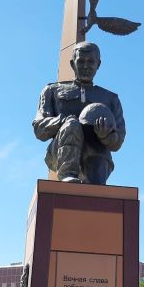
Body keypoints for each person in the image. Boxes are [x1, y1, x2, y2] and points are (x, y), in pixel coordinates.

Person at [33, 41, 126, 185]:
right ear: (72, 64)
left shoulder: (110, 98)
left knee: (95, 195)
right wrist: (62, 121)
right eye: (81, 61)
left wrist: (106, 135)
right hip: (61, 153)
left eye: (90, 62)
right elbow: (39, 129)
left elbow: (118, 142)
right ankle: (68, 175)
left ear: (98, 64)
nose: (86, 66)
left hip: (97, 155)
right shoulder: (52, 91)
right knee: (72, 123)